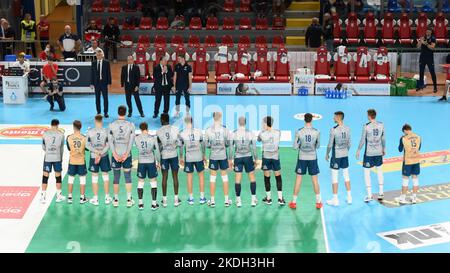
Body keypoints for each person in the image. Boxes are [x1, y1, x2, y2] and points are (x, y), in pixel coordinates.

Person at [289, 113, 323, 210]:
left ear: (304, 120)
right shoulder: (317, 132)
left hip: (302, 158)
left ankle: (294, 202)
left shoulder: (299, 131)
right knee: (315, 180)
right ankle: (318, 202)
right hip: (312, 158)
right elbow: (318, 146)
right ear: (312, 120)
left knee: (298, 179)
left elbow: (295, 147)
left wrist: (301, 145)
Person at [356, 109, 386, 202]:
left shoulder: (366, 126)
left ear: (369, 116)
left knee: (367, 173)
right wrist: (383, 148)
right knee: (380, 171)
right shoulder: (381, 124)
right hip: (378, 152)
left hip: (369, 153)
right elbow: (383, 138)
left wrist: (358, 150)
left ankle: (369, 195)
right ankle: (381, 193)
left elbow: (362, 139)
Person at [109, 105, 136, 208]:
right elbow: (131, 141)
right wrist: (126, 154)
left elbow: (110, 141)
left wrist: (115, 154)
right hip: (126, 155)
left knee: (116, 178)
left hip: (116, 155)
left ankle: (116, 200)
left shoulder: (112, 125)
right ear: (126, 112)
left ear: (118, 113)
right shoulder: (131, 125)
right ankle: (129, 200)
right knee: (128, 177)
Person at [178, 115, 207, 205]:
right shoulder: (198, 132)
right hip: (198, 156)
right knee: (201, 176)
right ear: (192, 122)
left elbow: (181, 147)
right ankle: (202, 198)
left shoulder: (181, 133)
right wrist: (204, 154)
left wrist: (181, 157)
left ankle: (191, 199)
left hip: (189, 158)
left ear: (185, 122)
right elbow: (203, 144)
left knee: (189, 178)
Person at [205, 112, 232, 207]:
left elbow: (206, 144)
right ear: (220, 118)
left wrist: (212, 146)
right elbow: (228, 143)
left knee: (213, 178)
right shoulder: (225, 129)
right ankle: (226, 200)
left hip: (213, 156)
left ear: (213, 118)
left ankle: (212, 201)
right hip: (223, 156)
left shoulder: (208, 130)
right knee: (224, 177)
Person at [230, 116, 258, 207]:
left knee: (238, 179)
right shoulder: (250, 133)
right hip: (248, 157)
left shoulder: (234, 133)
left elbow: (231, 148)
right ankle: (253, 200)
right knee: (252, 178)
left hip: (238, 157)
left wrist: (230, 159)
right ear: (245, 123)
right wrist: (256, 159)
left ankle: (238, 201)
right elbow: (254, 147)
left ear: (238, 123)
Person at [325, 111, 352, 206]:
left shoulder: (334, 129)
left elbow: (330, 144)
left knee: (334, 177)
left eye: (334, 117)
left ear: (338, 117)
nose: (333, 118)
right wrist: (345, 151)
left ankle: (335, 200)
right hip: (345, 155)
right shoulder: (348, 128)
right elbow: (349, 144)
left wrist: (327, 153)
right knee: (346, 175)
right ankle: (349, 198)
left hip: (336, 156)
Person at [258, 116, 285, 205]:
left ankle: (268, 199)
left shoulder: (262, 133)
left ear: (266, 124)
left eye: (263, 123)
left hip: (266, 158)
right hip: (275, 157)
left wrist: (263, 131)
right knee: (278, 177)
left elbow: (258, 140)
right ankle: (280, 199)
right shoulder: (278, 132)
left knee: (267, 178)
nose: (262, 125)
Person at [156, 113, 182, 207]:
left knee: (164, 177)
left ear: (162, 120)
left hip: (164, 156)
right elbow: (180, 143)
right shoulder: (175, 129)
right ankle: (176, 200)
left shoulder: (158, 131)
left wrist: (158, 161)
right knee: (175, 177)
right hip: (174, 155)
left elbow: (158, 147)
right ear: (168, 120)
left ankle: (164, 201)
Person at [86, 114, 112, 206]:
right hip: (104, 155)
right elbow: (108, 145)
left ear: (94, 121)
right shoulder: (106, 131)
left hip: (94, 156)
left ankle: (95, 199)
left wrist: (96, 152)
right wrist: (100, 153)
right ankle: (107, 198)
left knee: (94, 177)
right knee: (105, 176)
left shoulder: (90, 131)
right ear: (102, 121)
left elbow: (87, 145)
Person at [135, 122, 161, 210]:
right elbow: (157, 151)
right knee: (153, 182)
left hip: (141, 161)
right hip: (150, 161)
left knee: (140, 182)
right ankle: (154, 204)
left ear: (140, 129)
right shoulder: (153, 138)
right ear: (147, 129)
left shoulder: (136, 138)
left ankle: (140, 204)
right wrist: (159, 162)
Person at [41, 119, 66, 204]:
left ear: (51, 125)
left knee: (45, 176)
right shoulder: (61, 135)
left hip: (48, 157)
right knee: (58, 176)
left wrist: (49, 151)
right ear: (58, 125)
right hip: (57, 157)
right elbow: (61, 148)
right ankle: (58, 196)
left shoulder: (45, 134)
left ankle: (43, 196)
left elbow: (43, 147)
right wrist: (61, 158)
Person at [395, 124, 421, 204]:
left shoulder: (403, 138)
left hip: (408, 161)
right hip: (416, 160)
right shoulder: (418, 137)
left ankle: (403, 198)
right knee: (415, 178)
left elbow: (400, 149)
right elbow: (419, 148)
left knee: (405, 179)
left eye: (404, 132)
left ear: (405, 130)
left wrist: (401, 141)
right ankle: (414, 198)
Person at [66, 120, 88, 204]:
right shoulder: (84, 137)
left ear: (73, 127)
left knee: (71, 178)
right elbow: (87, 149)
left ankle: (69, 197)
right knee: (82, 179)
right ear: (81, 127)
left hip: (72, 161)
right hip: (81, 161)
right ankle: (82, 198)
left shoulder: (69, 137)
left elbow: (68, 148)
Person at [91, 50, 111, 117]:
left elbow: (109, 73)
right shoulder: (93, 63)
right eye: (97, 55)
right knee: (97, 98)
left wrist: (109, 83)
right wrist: (91, 83)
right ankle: (98, 112)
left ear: (102, 55)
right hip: (96, 83)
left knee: (105, 98)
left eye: (100, 55)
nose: (98, 56)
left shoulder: (106, 63)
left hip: (104, 83)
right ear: (96, 56)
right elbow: (92, 74)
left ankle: (105, 112)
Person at [417, 28, 437, 93]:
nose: (427, 32)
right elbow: (418, 47)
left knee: (432, 72)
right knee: (421, 72)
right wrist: (420, 42)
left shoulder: (433, 38)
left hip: (429, 58)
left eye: (429, 32)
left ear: (431, 32)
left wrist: (426, 44)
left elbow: (432, 47)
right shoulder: (423, 38)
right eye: (426, 31)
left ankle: (435, 87)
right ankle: (420, 86)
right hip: (422, 58)